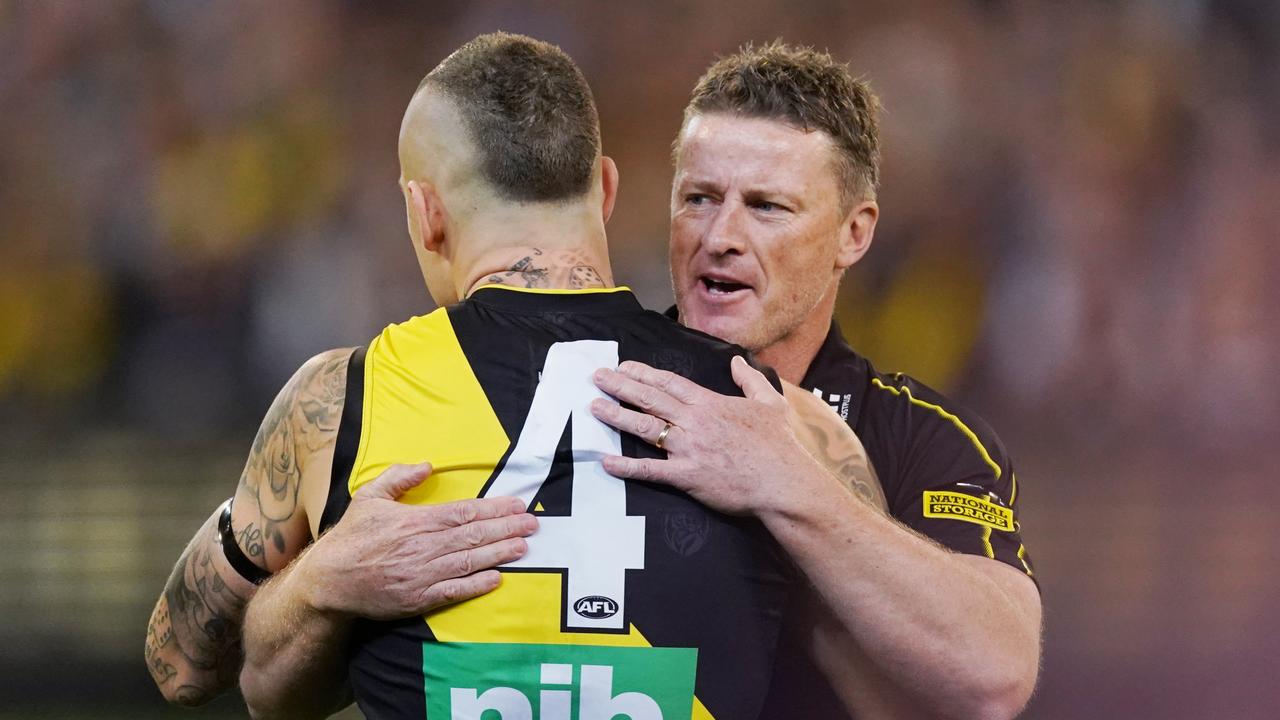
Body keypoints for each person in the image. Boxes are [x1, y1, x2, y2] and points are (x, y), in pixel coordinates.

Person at [145, 32, 877, 719]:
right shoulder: (781, 422)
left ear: (424, 213)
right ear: (607, 188)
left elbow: (181, 665)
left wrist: (315, 579)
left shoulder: (337, 400)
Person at [587, 42, 1043, 719]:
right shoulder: (590, 391)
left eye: (767, 206)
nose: (721, 236)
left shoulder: (921, 439)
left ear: (852, 235)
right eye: (700, 198)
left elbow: (994, 675)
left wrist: (784, 482)